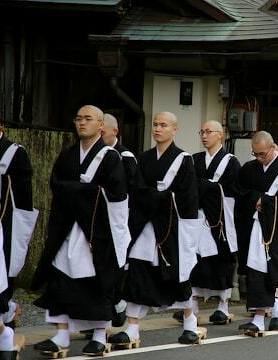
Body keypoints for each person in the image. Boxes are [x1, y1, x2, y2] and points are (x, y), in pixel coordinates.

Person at [31, 105, 129, 357]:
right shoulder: (67, 156)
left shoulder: (110, 158)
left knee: (97, 281)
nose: (82, 123)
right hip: (68, 227)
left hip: (97, 230)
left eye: (88, 119)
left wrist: (119, 237)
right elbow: (56, 186)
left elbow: (117, 199)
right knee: (61, 278)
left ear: (100, 126)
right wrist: (81, 190)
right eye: (78, 118)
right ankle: (61, 334)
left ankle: (99, 334)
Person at [109, 111, 205, 348]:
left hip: (171, 226)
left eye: (163, 125)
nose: (157, 129)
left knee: (176, 275)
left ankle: (190, 324)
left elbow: (189, 197)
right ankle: (132, 329)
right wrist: (154, 198)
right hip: (146, 224)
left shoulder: (183, 159)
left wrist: (186, 229)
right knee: (137, 272)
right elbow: (137, 189)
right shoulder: (145, 157)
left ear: (174, 129)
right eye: (155, 124)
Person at [236, 131, 278, 336]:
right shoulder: (249, 169)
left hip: (276, 229)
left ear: (273, 147)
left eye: (262, 154)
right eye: (255, 154)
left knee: (269, 270)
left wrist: (265, 202)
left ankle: (264, 316)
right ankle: (267, 314)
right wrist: (255, 199)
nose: (258, 158)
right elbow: (239, 193)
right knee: (256, 270)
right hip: (253, 228)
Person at [184, 120, 240, 325]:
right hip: (198, 215)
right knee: (197, 258)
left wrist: (205, 187)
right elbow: (189, 186)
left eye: (209, 132)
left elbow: (231, 191)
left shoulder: (231, 162)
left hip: (220, 219)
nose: (204, 135)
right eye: (202, 131)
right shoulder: (194, 159)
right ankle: (194, 302)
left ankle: (223, 304)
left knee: (222, 257)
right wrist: (207, 187)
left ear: (220, 135)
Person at [0, 112, 37, 344]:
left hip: (7, 219)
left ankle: (4, 315)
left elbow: (23, 192)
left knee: (3, 268)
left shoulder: (14, 153)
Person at [101, 113, 140, 328]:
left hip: (120, 219)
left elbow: (133, 193)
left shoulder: (125, 157)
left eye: (102, 132)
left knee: (117, 266)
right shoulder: (95, 155)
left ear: (114, 132)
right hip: (96, 219)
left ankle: (117, 304)